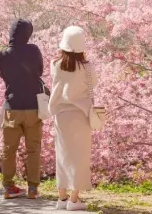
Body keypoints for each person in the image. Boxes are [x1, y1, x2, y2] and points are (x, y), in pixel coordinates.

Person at [0, 18, 47, 200]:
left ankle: (9, 187)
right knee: (33, 149)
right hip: (32, 107)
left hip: (12, 107)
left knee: (9, 149)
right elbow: (39, 72)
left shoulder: (1, 55)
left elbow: (4, 76)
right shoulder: (33, 51)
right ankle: (32, 188)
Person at [48, 26, 96, 211]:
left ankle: (62, 198)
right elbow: (94, 83)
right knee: (79, 157)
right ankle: (74, 200)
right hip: (81, 115)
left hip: (61, 115)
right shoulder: (87, 67)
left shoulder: (55, 64)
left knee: (62, 156)